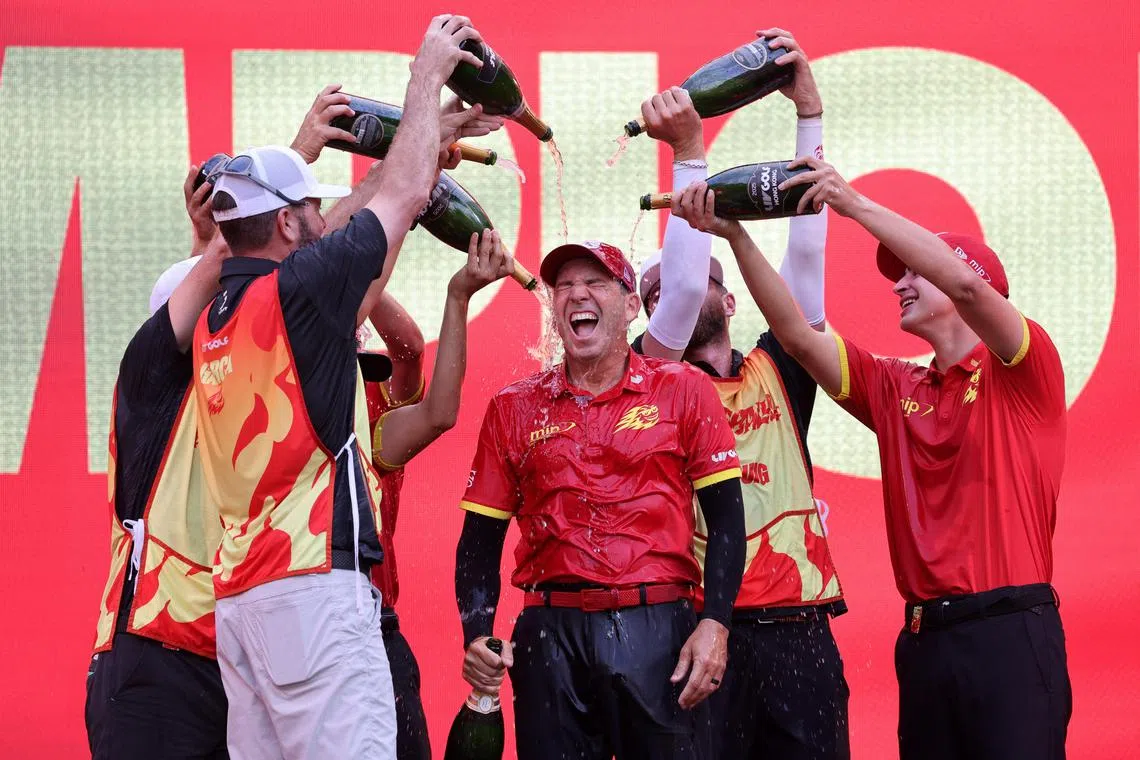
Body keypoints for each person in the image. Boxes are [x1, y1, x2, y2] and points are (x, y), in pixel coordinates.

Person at [674, 154, 1072, 760]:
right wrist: (736, 236)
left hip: (1008, 633)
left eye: (915, 272)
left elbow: (968, 287)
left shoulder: (1024, 369)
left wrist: (850, 202)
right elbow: (797, 336)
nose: (899, 285)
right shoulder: (897, 386)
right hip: (924, 643)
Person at [189, 16, 497, 759]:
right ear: (288, 225)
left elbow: (357, 216)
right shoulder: (298, 292)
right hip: (315, 592)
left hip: (243, 602)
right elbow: (399, 198)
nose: (321, 220)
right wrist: (424, 81)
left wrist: (428, 135)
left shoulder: (214, 318)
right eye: (310, 210)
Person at [635, 30, 850, 759]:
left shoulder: (778, 367)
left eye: (697, 281)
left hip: (799, 629)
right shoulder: (653, 382)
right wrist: (689, 156)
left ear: (731, 299)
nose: (671, 294)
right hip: (703, 630)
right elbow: (681, 286)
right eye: (651, 295)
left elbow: (806, 257)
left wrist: (809, 114)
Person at [455, 240, 747, 759]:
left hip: (659, 629)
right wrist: (477, 633)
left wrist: (716, 622)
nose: (576, 294)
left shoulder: (683, 389)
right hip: (550, 635)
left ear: (632, 305)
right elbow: (479, 543)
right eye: (564, 285)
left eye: (594, 283)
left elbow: (727, 521)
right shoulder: (513, 406)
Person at [86, 169, 231, 760]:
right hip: (153, 655)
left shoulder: (235, 391)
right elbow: (224, 265)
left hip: (234, 657)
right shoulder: (148, 375)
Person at [358, 232, 515, 760]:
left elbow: (411, 355)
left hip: (372, 627)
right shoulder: (260, 416)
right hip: (289, 626)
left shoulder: (372, 420)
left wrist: (344, 270)